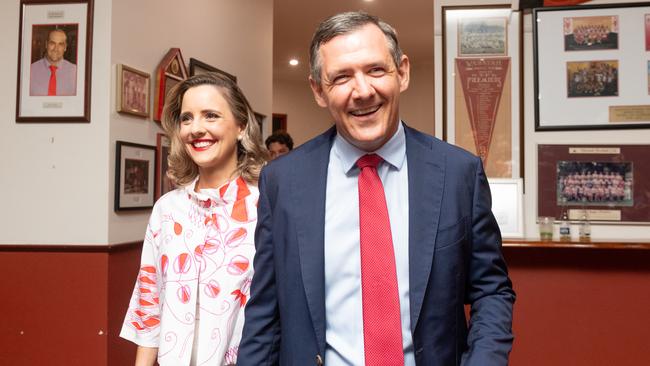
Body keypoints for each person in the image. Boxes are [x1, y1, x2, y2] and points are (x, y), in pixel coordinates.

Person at [238, 11, 515, 366]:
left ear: (402, 72)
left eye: (375, 70)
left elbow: (491, 290)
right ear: (319, 91)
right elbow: (265, 308)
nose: (363, 91)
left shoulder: (458, 173)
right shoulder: (283, 181)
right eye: (341, 77)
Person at [120, 72, 268, 365]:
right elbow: (149, 308)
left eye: (210, 115)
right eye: (186, 118)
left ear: (240, 126)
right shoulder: (167, 210)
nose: (195, 129)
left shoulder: (265, 206)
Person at [30, 28, 77, 96]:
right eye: (52, 43)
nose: (56, 49)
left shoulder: (75, 72)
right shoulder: (30, 70)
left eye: (60, 44)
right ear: (46, 45)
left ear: (65, 47)